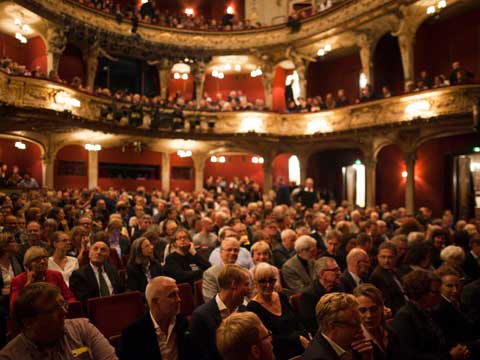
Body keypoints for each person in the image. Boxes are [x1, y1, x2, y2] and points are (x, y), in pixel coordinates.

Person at [0, 282, 117, 359]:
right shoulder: (10, 356)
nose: (64, 312)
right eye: (54, 309)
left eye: (63, 304)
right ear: (28, 322)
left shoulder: (82, 328)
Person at [393, 270, 470, 360]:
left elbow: (441, 342)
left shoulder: (430, 310)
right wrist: (449, 356)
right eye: (435, 292)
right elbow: (410, 356)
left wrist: (461, 350)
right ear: (420, 292)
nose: (440, 295)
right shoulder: (404, 317)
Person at [119, 276, 194, 360]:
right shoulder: (132, 335)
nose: (179, 299)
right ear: (155, 302)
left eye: (178, 294)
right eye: (172, 295)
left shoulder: (181, 321)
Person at [247, 263, 309, 360]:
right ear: (255, 283)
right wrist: (298, 339)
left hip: (301, 345)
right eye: (263, 281)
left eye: (271, 280)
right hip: (278, 353)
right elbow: (268, 339)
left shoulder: (282, 296)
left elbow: (297, 322)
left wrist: (305, 336)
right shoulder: (253, 307)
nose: (268, 285)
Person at [191, 265, 251, 360]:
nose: (249, 290)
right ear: (233, 284)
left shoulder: (245, 310)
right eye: (246, 285)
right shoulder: (201, 317)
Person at [301, 292, 374, 360]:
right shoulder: (318, 357)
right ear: (332, 326)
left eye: (360, 322)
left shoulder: (350, 343)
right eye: (355, 324)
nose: (360, 329)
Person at [10, 246, 76, 310]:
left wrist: (67, 306)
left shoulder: (56, 275)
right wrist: (28, 284)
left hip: (56, 312)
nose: (42, 262)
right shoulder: (18, 280)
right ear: (28, 265)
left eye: (44, 258)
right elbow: (14, 307)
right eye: (37, 260)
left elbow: (69, 297)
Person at [432, 265, 479, 353]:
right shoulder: (437, 309)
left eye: (457, 285)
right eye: (449, 286)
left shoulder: (459, 303)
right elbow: (448, 342)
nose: (455, 290)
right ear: (438, 287)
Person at [353, 283, 403, 360]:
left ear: (381, 308)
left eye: (374, 309)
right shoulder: (355, 343)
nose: (369, 315)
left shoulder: (390, 333)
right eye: (362, 310)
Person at [69, 239, 125, 304]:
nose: (98, 252)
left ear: (108, 255)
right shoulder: (79, 275)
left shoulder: (112, 270)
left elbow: (122, 290)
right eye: (95, 249)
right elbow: (84, 301)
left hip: (117, 306)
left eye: (103, 250)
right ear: (89, 253)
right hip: (95, 310)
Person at [299, 257, 342, 335]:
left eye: (339, 269)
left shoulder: (339, 287)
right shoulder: (308, 295)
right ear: (322, 274)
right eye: (335, 270)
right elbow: (311, 325)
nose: (339, 273)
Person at [369, 241, 407, 314]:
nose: (386, 261)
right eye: (383, 257)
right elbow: (387, 303)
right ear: (378, 257)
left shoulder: (395, 271)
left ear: (396, 257)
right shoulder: (377, 276)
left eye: (390, 257)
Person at [0, 233, 22, 347]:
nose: (16, 244)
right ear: (4, 245)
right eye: (12, 241)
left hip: (15, 298)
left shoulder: (15, 259)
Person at [202, 237, 241, 302]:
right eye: (229, 250)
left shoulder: (243, 270)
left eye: (236, 250)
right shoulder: (210, 274)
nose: (233, 253)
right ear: (221, 252)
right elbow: (210, 300)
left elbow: (249, 295)